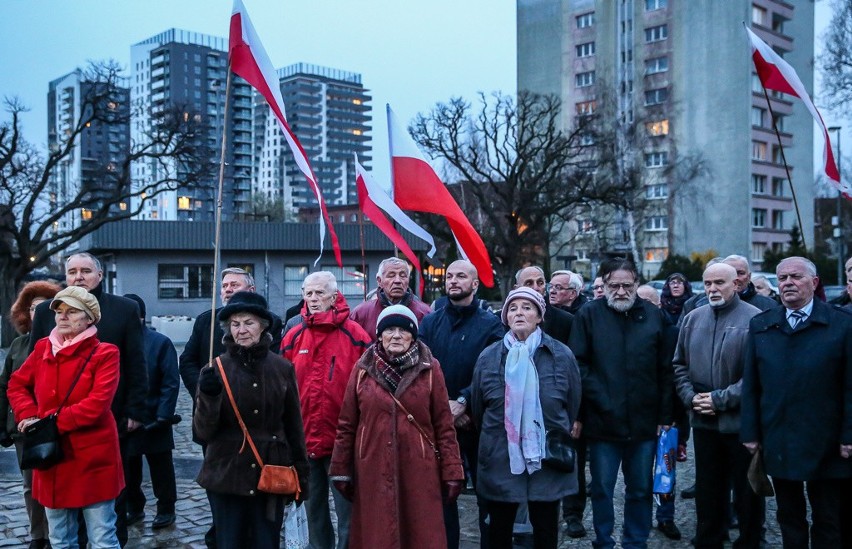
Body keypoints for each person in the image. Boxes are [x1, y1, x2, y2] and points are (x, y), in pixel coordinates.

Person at [29, 252, 147, 547]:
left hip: (107, 418)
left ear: (100, 275)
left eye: (85, 270)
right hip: (52, 429)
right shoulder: (46, 311)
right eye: (72, 271)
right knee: (61, 519)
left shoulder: (125, 308)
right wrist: (31, 416)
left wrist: (135, 409)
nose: (78, 277)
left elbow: (136, 362)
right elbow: (30, 370)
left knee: (105, 510)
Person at [330, 305, 464, 549]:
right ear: (379, 335)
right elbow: (347, 424)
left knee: (420, 532)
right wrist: (341, 469)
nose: (396, 335)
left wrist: (453, 471)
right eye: (389, 329)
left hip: (419, 469)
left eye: (403, 330)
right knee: (377, 534)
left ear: (413, 335)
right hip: (372, 467)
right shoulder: (362, 369)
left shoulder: (430, 368)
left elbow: (444, 426)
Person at [741, 257, 852, 548]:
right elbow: (752, 384)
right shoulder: (762, 325)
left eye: (795, 277)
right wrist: (750, 432)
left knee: (828, 517)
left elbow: (850, 386)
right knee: (789, 516)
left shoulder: (841, 324)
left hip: (827, 440)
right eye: (782, 278)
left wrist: (848, 435)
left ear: (814, 283)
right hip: (781, 435)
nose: (787, 283)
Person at [569, 259, 673, 549]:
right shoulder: (588, 315)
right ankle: (604, 540)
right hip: (602, 420)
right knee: (601, 487)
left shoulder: (655, 316)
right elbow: (578, 364)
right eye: (614, 285)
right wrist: (600, 400)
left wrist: (666, 414)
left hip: (644, 421)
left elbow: (666, 370)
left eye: (627, 285)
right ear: (603, 284)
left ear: (637, 285)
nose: (621, 291)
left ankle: (635, 541)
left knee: (639, 488)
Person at [9, 286, 124, 548]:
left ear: (89, 318)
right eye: (59, 311)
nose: (62, 316)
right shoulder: (42, 348)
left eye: (72, 311)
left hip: (92, 457)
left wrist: (47, 424)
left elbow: (97, 405)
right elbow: (17, 384)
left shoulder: (105, 353)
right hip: (51, 457)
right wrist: (27, 415)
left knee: (102, 537)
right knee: (60, 538)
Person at [194, 291, 309, 549]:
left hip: (270, 474)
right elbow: (203, 431)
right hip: (226, 476)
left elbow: (293, 426)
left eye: (248, 323)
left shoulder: (282, 368)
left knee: (265, 543)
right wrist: (209, 395)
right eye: (235, 324)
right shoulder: (214, 369)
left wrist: (301, 474)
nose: (241, 330)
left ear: (263, 326)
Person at [470, 287, 581, 549]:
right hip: (501, 457)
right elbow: (478, 409)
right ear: (505, 316)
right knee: (499, 529)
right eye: (513, 308)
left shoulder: (561, 355)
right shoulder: (489, 358)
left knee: (545, 529)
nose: (519, 313)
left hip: (546, 457)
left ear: (540, 316)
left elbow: (572, 402)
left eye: (527, 307)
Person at [179, 267, 282, 547]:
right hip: (217, 423)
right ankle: (222, 528)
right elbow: (187, 361)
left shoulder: (272, 323)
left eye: (233, 284)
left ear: (250, 290)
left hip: (258, 429)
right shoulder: (206, 321)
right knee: (222, 489)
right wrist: (204, 391)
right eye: (223, 285)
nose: (226, 289)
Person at [673, 263, 764, 548]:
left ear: (736, 284)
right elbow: (679, 365)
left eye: (719, 283)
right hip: (704, 420)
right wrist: (691, 398)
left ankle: (750, 540)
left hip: (741, 422)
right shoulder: (692, 318)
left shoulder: (755, 318)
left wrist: (719, 400)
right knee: (708, 488)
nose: (712, 289)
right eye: (707, 283)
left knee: (747, 488)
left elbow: (757, 375)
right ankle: (710, 537)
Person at [280, 272, 371, 549]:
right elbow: (283, 389)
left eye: (320, 293)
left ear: (334, 297)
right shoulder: (293, 336)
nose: (314, 299)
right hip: (304, 440)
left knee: (348, 512)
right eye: (309, 294)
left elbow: (368, 390)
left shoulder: (356, 336)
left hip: (343, 443)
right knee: (313, 510)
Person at [419, 260, 505, 549]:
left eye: (461, 276)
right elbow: (420, 367)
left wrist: (465, 402)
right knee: (443, 495)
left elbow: (494, 371)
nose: (453, 281)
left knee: (487, 496)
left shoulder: (491, 325)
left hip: (478, 423)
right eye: (450, 276)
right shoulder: (430, 323)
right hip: (439, 421)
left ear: (475, 284)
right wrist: (446, 407)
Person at [0, 280, 61, 549]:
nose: (39, 311)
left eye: (46, 306)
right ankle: (39, 535)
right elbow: (5, 385)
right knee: (30, 486)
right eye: (34, 307)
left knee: (58, 483)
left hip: (56, 425)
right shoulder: (18, 345)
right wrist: (3, 425)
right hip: (23, 427)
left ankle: (61, 533)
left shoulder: (63, 342)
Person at [122, 294, 179, 531]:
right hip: (127, 419)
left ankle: (166, 508)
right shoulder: (116, 342)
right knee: (128, 469)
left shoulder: (160, 342)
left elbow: (169, 381)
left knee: (161, 468)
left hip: (155, 418)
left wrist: (164, 415)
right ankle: (134, 507)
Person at [349, 257, 431, 341]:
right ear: (379, 281)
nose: (397, 281)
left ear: (408, 280)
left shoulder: (425, 313)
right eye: (391, 276)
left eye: (403, 276)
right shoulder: (361, 313)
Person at [516, 266, 572, 345]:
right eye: (529, 283)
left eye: (540, 283)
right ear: (517, 288)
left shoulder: (566, 321)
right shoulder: (502, 319)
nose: (536, 288)